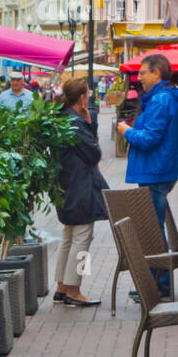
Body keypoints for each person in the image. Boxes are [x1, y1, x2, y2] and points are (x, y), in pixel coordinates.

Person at [117, 54, 178, 300]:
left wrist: (127, 132)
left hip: (155, 171)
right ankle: (158, 283)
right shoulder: (169, 98)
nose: (139, 77)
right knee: (154, 228)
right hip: (161, 169)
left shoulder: (160, 100)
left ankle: (159, 286)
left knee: (152, 231)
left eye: (143, 72)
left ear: (157, 73)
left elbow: (148, 139)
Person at [52, 78, 108, 306]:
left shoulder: (62, 118)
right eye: (88, 93)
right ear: (82, 97)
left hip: (66, 185)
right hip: (81, 187)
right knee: (83, 239)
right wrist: (90, 125)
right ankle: (74, 289)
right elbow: (94, 154)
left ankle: (62, 286)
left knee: (69, 237)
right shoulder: (76, 123)